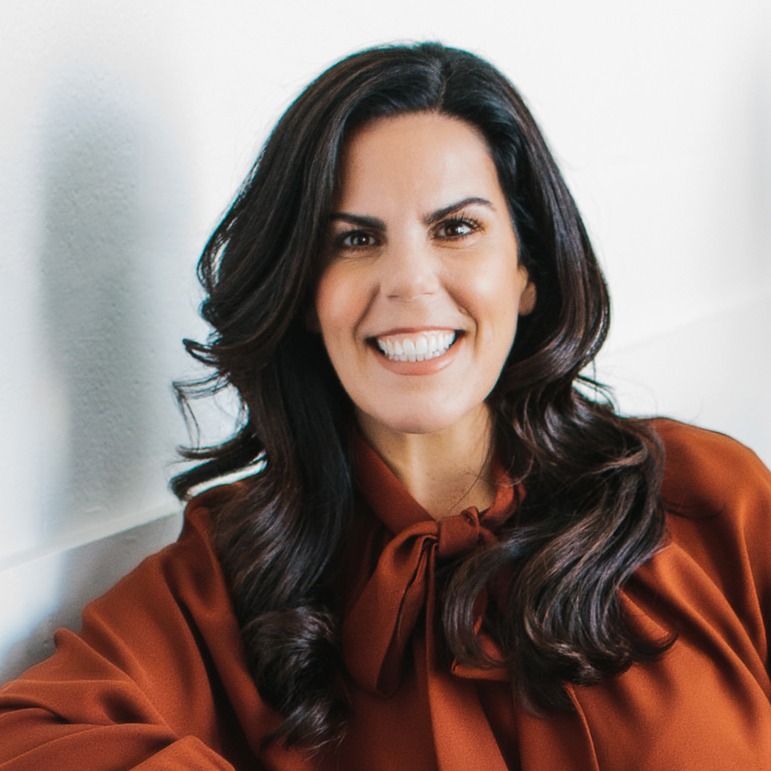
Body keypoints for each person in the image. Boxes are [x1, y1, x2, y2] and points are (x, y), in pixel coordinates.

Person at [1, 42, 770, 771]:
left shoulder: (708, 496)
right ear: (306, 293)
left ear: (526, 271)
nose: (408, 281)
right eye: (355, 239)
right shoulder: (236, 573)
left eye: (456, 227)